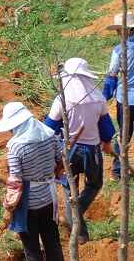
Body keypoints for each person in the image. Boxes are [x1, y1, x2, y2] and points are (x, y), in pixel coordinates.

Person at [44, 57, 115, 245]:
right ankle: (75, 217)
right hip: (91, 151)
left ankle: (77, 226)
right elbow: (106, 128)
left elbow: (49, 127)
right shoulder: (97, 99)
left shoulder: (61, 100)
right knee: (93, 185)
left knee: (69, 189)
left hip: (68, 151)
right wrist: (107, 142)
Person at [0, 102, 64, 261]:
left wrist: (9, 209)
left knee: (32, 249)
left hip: (29, 204)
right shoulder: (50, 136)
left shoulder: (16, 147)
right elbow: (60, 164)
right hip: (49, 199)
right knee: (53, 242)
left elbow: (16, 182)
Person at [102, 12, 134, 181]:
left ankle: (117, 172)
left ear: (124, 31)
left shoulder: (119, 51)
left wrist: (103, 98)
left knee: (124, 135)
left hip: (126, 100)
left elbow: (112, 76)